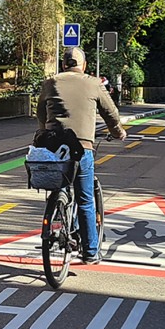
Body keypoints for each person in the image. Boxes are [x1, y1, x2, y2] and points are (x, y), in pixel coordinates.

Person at [35, 47, 126, 264]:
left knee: (60, 185)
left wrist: (44, 130)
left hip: (52, 147)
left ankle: (59, 211)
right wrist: (118, 132)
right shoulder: (93, 83)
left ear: (64, 65)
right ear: (83, 65)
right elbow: (111, 113)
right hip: (81, 148)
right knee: (85, 200)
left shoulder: (50, 82)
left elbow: (40, 112)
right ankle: (90, 252)